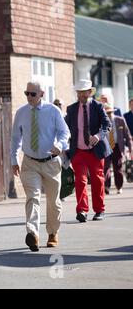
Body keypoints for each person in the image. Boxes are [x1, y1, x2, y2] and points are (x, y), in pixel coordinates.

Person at [11, 81, 70, 252]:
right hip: (30, 162)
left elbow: (65, 132)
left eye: (33, 94)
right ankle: (33, 233)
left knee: (53, 201)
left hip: (51, 161)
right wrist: (14, 160)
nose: (29, 97)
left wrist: (60, 144)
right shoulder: (21, 112)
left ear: (42, 94)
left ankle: (52, 232)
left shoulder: (53, 111)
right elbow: (15, 138)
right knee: (33, 198)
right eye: (26, 93)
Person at [65, 79, 111, 223]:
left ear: (89, 92)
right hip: (78, 151)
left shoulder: (98, 106)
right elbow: (64, 129)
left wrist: (98, 136)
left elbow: (107, 125)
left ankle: (99, 210)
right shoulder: (71, 109)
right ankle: (82, 210)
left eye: (83, 93)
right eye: (78, 93)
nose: (81, 96)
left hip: (95, 151)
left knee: (97, 180)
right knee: (80, 181)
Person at [103, 103, 132, 195]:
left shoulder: (120, 120)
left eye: (110, 112)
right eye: (107, 113)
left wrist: (131, 149)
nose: (109, 114)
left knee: (118, 168)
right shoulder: (102, 121)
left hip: (117, 147)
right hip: (106, 147)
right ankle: (106, 186)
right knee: (106, 168)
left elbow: (127, 135)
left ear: (113, 112)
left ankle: (119, 187)